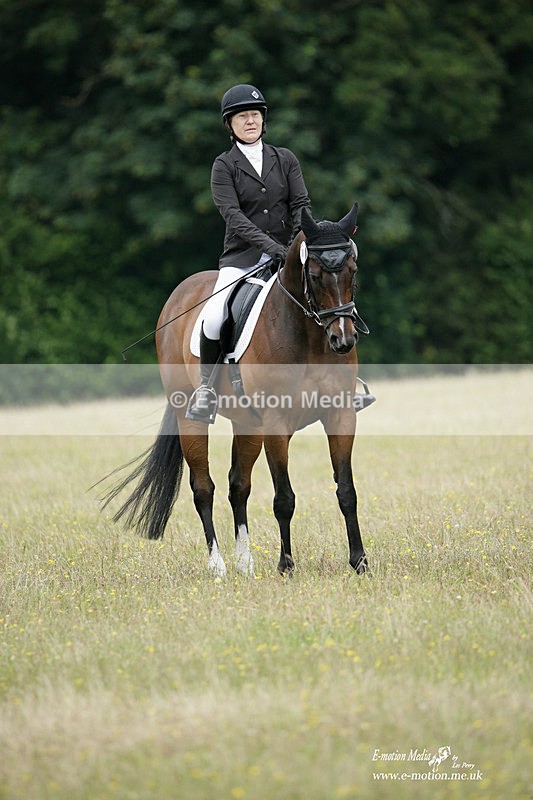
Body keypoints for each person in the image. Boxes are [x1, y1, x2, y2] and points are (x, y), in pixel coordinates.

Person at [186, 83, 312, 423]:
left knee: (326, 294)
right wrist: (271, 248)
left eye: (255, 114)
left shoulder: (285, 159)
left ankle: (341, 382)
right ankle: (207, 390)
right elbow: (234, 217)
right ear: (230, 125)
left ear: (263, 119)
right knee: (214, 316)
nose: (250, 121)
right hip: (241, 258)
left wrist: (292, 247)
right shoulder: (223, 166)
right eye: (242, 116)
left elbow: (300, 204)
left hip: (289, 253)